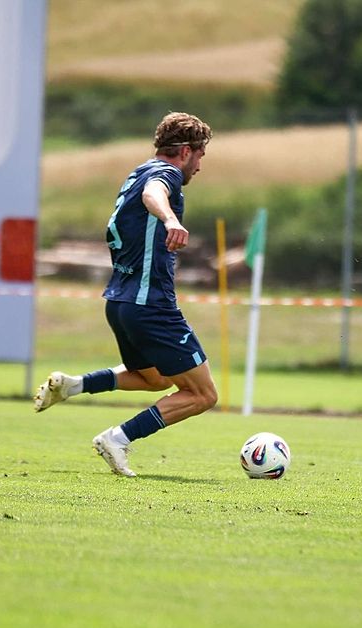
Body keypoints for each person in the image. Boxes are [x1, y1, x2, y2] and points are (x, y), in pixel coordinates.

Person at [33, 112, 217, 477]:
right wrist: (171, 219)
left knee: (156, 378)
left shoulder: (137, 172)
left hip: (120, 302)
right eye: (199, 155)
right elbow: (155, 195)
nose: (199, 166)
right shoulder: (164, 176)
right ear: (184, 151)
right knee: (203, 395)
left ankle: (73, 385)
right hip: (150, 304)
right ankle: (118, 438)